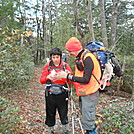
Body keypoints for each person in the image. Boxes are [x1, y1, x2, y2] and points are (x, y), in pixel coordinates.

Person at [56, 37, 102, 134]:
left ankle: (92, 131)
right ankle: (90, 130)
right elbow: (80, 75)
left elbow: (86, 79)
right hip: (84, 92)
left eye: (70, 51)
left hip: (90, 93)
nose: (70, 53)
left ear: (74, 49)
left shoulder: (88, 58)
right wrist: (69, 75)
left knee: (88, 119)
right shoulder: (81, 57)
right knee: (86, 117)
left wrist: (68, 76)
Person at [40, 48, 72, 134]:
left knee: (63, 111)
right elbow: (42, 80)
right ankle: (50, 129)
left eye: (57, 57)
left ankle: (65, 128)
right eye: (53, 57)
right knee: (50, 111)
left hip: (63, 93)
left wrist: (67, 75)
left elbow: (70, 81)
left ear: (61, 57)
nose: (55, 59)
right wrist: (47, 77)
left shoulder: (65, 66)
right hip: (50, 93)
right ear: (51, 58)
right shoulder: (48, 66)